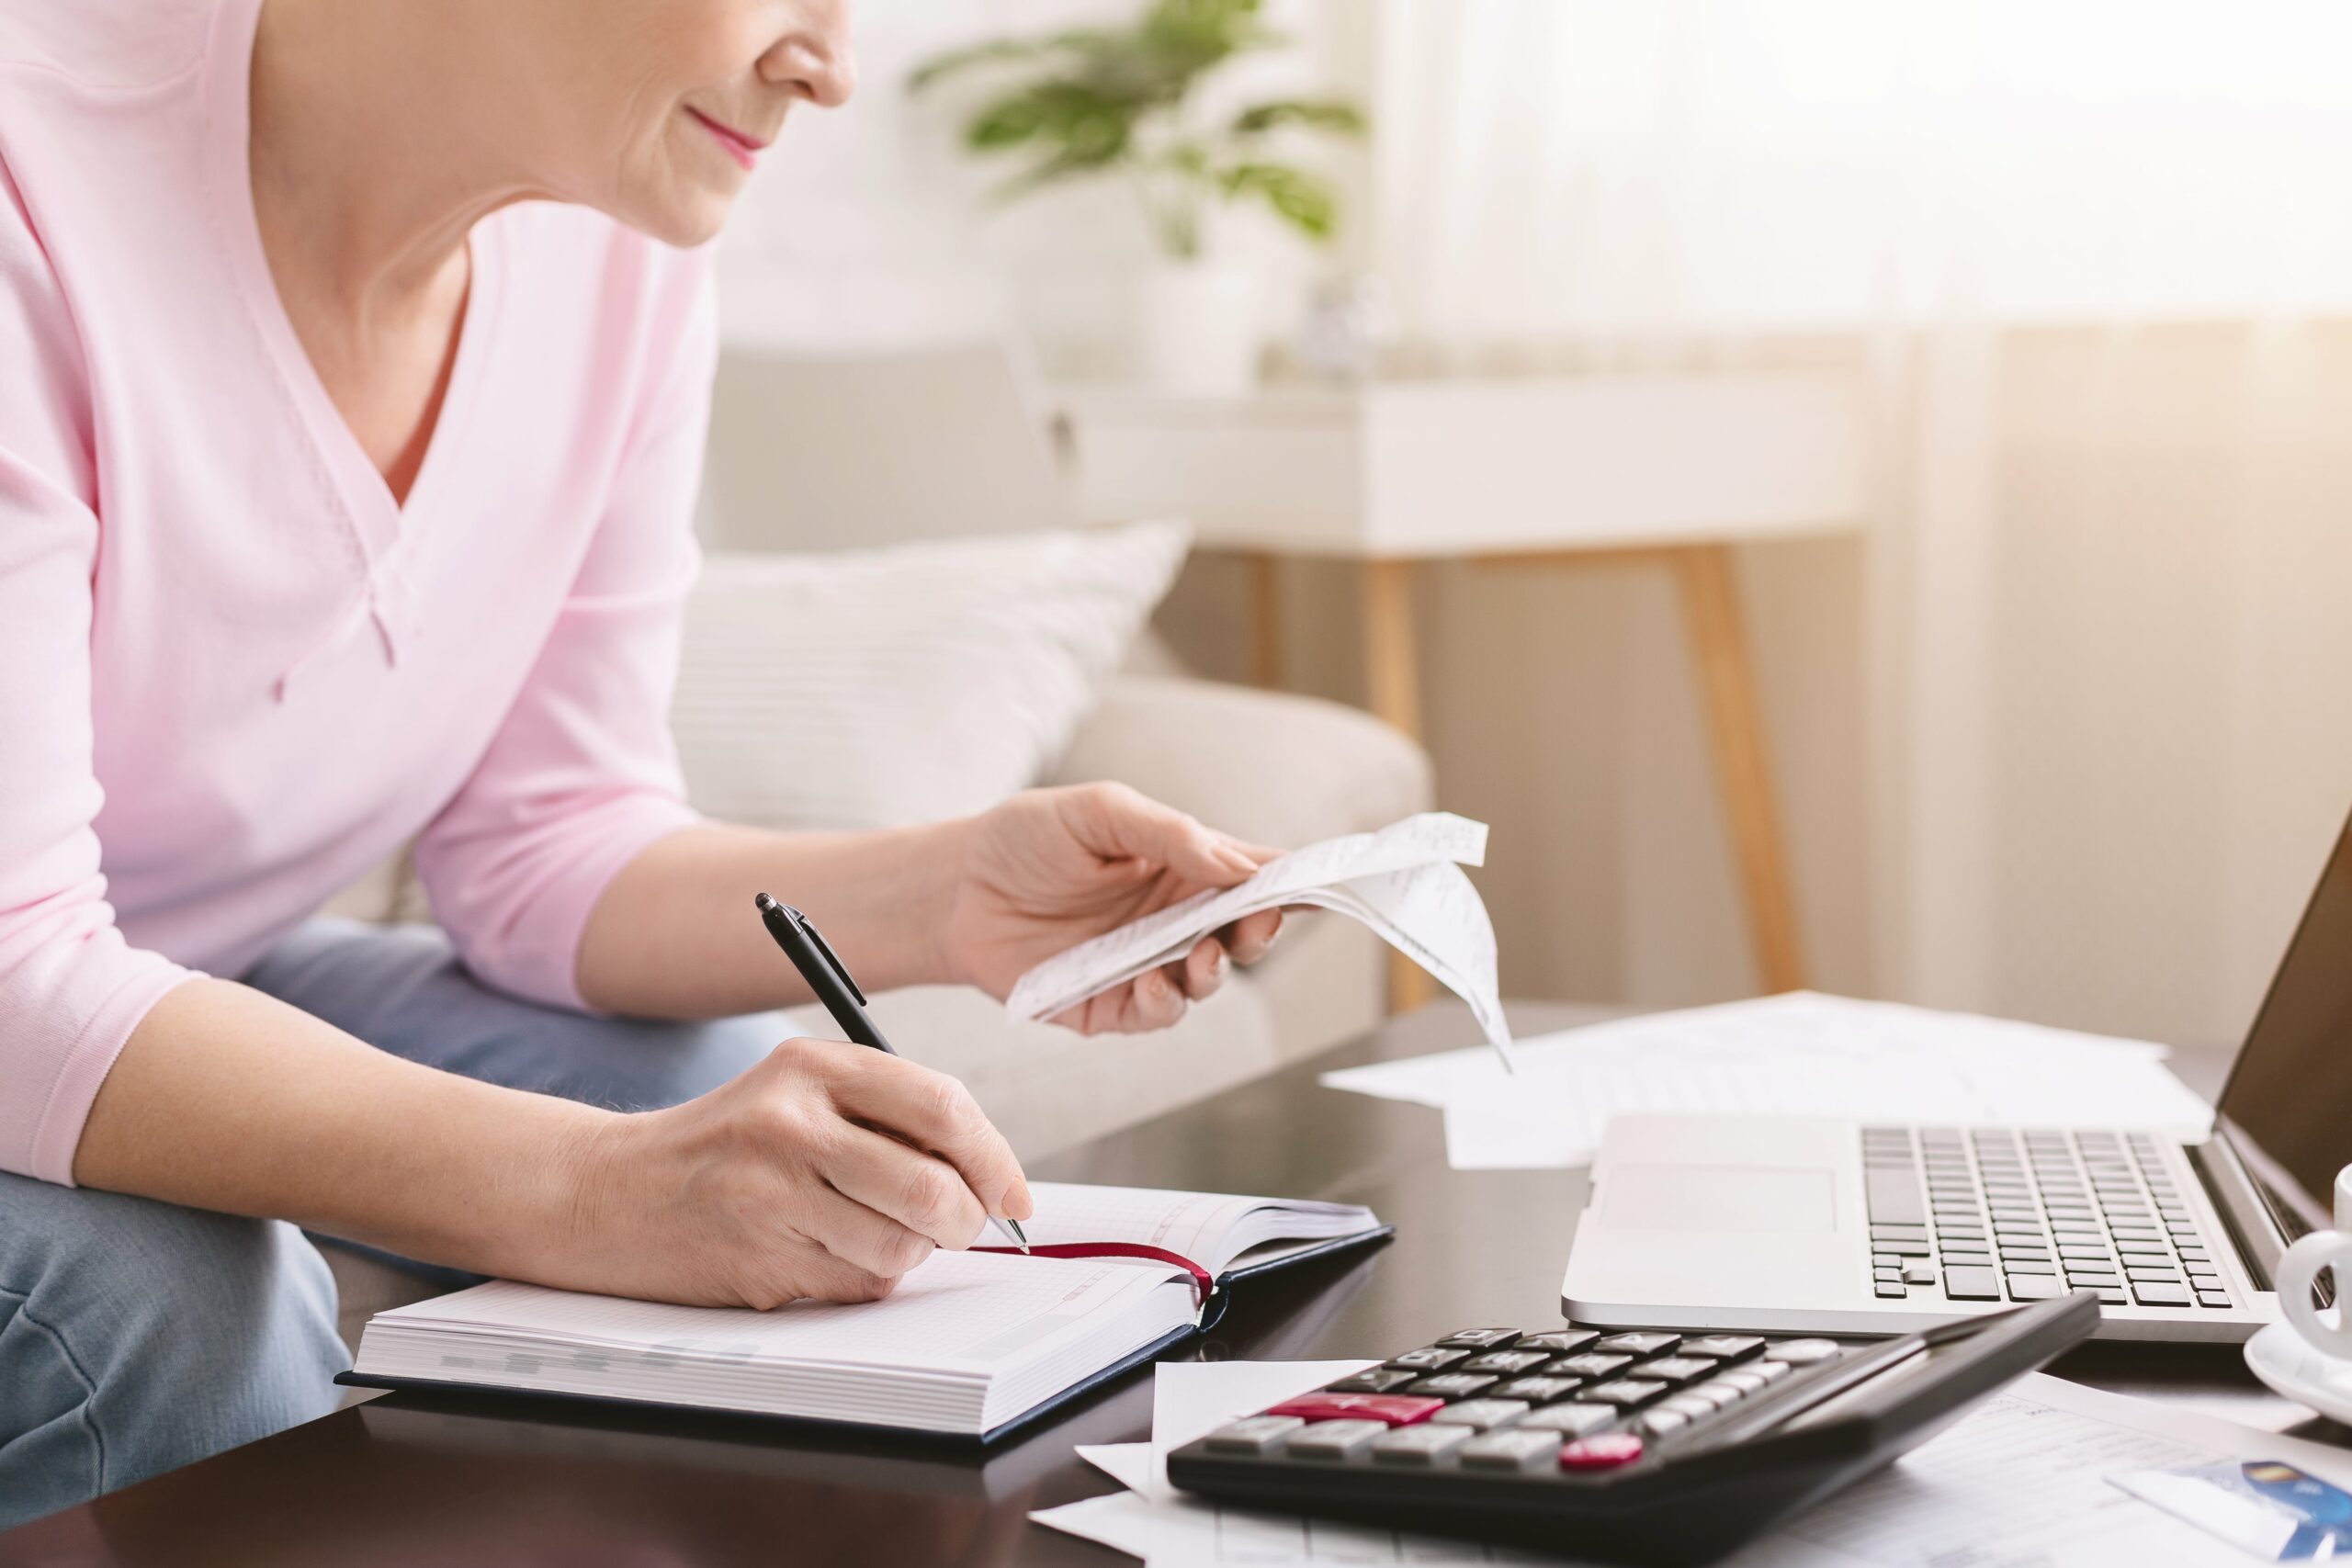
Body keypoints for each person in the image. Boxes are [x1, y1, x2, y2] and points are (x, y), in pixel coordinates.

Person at [0, 0, 1291, 1524]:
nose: (832, 62)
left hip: (181, 962)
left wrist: (947, 898)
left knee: (759, 1118)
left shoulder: (622, 260)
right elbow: (18, 969)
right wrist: (587, 1192)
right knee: (174, 1291)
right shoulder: (41, 180)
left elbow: (545, 848)